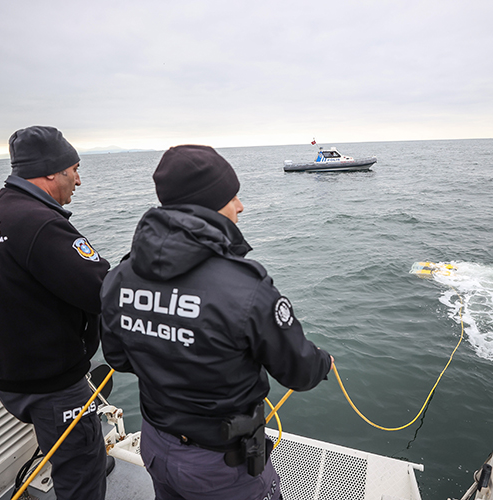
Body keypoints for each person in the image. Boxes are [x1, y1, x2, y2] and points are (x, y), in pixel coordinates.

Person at [100, 145, 333, 500]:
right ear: (209, 204)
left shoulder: (119, 277)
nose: (240, 206)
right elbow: (299, 371)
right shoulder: (245, 287)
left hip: (156, 446)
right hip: (221, 467)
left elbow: (118, 358)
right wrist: (323, 362)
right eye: (232, 196)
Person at [0, 125, 110, 500]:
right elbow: (102, 292)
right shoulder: (42, 225)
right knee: (82, 468)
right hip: (50, 383)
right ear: (50, 171)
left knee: (68, 449)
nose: (79, 179)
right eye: (74, 169)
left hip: (5, 374)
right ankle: (78, 463)